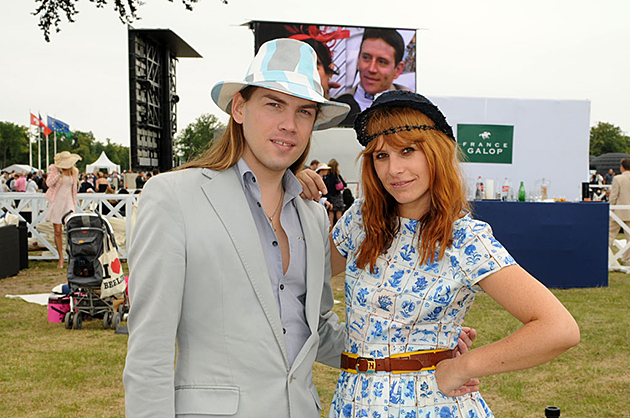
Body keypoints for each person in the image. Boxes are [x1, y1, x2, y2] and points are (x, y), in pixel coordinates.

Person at [299, 91, 579, 417]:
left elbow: (558, 328)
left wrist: (462, 367)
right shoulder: (361, 221)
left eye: (407, 151)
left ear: (436, 152)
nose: (394, 169)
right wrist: (287, 182)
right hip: (353, 402)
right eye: (381, 155)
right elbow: (297, 277)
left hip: (430, 405)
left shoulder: (463, 238)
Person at [123, 38, 352, 418]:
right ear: (240, 108)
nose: (289, 124)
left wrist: (418, 347)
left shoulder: (312, 216)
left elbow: (315, 330)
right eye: (274, 104)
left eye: (304, 112)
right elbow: (149, 349)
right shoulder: (174, 197)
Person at [335, 28, 410, 125]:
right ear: (358, 59)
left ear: (398, 69)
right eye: (366, 58)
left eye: (382, 62)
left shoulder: (411, 108)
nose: (371, 69)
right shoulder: (335, 107)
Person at [46, 151, 81, 269]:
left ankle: (73, 255)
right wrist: (59, 173)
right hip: (57, 200)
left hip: (69, 201)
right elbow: (48, 183)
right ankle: (61, 257)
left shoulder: (74, 171)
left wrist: (74, 203)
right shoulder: (54, 169)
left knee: (71, 228)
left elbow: (74, 188)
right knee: (58, 231)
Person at [608, 159, 630, 264]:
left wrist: (610, 208)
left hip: (618, 212)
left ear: (622, 167)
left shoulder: (618, 178)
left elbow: (614, 196)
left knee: (609, 235)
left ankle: (606, 257)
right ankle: (627, 259)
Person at [322, 159, 346, 226]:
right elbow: (344, 184)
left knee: (331, 216)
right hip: (338, 196)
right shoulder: (337, 175)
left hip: (330, 197)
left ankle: (331, 230)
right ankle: (340, 230)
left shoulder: (326, 176)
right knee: (339, 216)